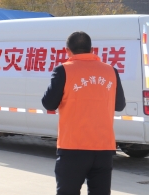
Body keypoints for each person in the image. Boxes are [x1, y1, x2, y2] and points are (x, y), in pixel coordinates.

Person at [42, 31, 126, 195]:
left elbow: (49, 103)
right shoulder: (111, 71)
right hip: (103, 148)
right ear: (92, 49)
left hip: (73, 147)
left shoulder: (63, 71)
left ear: (68, 50)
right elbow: (120, 105)